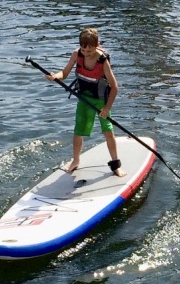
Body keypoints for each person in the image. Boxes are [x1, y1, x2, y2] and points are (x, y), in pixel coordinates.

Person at [46, 27, 123, 176]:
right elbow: (65, 73)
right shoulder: (76, 54)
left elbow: (114, 87)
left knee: (108, 130)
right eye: (84, 49)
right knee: (78, 130)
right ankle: (75, 161)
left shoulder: (103, 61)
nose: (86, 54)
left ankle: (115, 165)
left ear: (97, 45)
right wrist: (55, 76)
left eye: (90, 51)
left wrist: (107, 109)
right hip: (84, 98)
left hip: (101, 101)